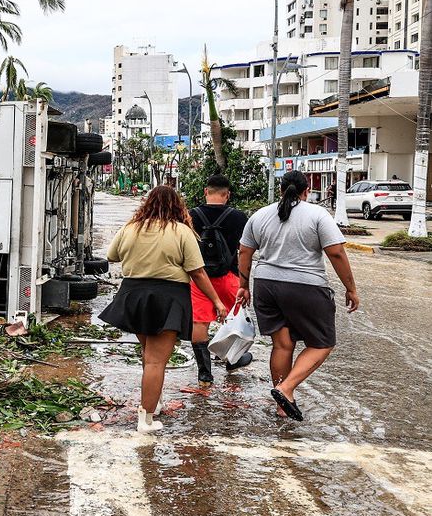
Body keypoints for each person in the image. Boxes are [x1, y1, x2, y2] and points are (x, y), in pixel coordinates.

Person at [100, 185, 227, 433]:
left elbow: (111, 255)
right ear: (178, 206)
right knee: (157, 361)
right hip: (167, 297)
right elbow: (197, 272)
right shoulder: (181, 231)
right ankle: (145, 419)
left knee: (149, 355)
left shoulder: (131, 227)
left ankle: (153, 402)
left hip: (133, 295)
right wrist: (217, 301)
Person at [236, 170, 359, 422]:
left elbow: (245, 252)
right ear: (306, 192)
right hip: (306, 286)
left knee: (282, 344)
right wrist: (351, 288)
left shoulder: (259, 215)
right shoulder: (317, 214)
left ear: (281, 190)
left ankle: (284, 405)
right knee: (323, 343)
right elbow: (335, 253)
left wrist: (243, 285)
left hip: (266, 285)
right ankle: (286, 388)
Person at [188, 175, 249, 387]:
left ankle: (205, 374)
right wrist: (244, 284)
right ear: (227, 194)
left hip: (200, 277)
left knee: (200, 322)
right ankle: (233, 360)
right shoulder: (239, 217)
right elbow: (244, 253)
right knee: (237, 320)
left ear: (206, 191)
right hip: (230, 277)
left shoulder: (191, 215)